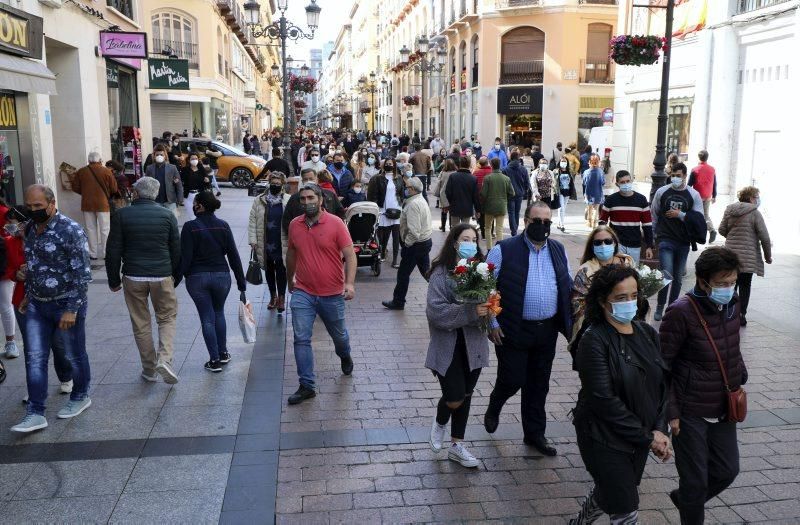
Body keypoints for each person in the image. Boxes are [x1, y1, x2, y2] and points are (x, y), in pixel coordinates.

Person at [570, 265, 670, 525]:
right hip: (603, 438)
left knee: (612, 493)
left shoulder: (647, 333)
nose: (630, 303)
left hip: (638, 436)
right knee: (625, 507)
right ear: (603, 301)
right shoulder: (593, 340)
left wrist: (660, 429)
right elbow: (603, 400)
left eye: (634, 295)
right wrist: (648, 437)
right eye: (621, 297)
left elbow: (662, 385)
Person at [660, 247, 746, 525]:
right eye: (722, 283)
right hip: (689, 410)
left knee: (727, 470)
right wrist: (670, 411)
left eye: (732, 281)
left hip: (723, 404)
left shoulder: (733, 303)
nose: (729, 288)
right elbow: (663, 366)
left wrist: (739, 373)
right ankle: (691, 503)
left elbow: (731, 341)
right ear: (702, 281)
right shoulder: (680, 312)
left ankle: (686, 499)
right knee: (695, 482)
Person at [483, 201, 573, 456]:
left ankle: (535, 435)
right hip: (513, 327)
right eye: (537, 221)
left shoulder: (558, 249)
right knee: (513, 379)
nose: (542, 226)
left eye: (547, 222)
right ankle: (496, 402)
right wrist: (491, 321)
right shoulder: (504, 249)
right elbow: (486, 286)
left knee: (538, 384)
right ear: (525, 221)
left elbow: (567, 284)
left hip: (546, 330)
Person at [11, 185, 92, 433]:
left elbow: (82, 273)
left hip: (65, 303)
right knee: (34, 358)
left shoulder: (70, 230)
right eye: (29, 206)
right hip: (36, 304)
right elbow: (34, 263)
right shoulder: (30, 230)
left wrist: (72, 309)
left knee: (73, 355)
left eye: (38, 206)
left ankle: (80, 395)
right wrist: (28, 291)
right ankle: (35, 412)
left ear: (52, 203)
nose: (33, 210)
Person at [425, 223, 490, 468]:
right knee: (453, 397)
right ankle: (441, 420)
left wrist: (490, 313)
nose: (470, 243)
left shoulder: (481, 272)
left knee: (466, 394)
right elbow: (436, 313)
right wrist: (471, 312)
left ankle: (456, 445)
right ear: (454, 242)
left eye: (474, 239)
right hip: (447, 346)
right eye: (465, 239)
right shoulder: (441, 274)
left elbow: (488, 304)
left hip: (474, 345)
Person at [285, 183, 357, 405]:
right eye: (303, 199)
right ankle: (307, 385)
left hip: (332, 293)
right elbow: (291, 254)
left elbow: (350, 255)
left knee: (340, 336)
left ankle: (344, 355)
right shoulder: (294, 225)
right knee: (301, 338)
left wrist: (350, 283)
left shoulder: (336, 224)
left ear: (321, 199)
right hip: (303, 291)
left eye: (310, 198)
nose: (307, 202)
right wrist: (290, 280)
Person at [105, 177, 181, 384]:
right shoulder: (167, 215)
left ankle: (149, 369)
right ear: (156, 194)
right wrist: (175, 275)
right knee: (166, 318)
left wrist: (113, 279)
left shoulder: (121, 215)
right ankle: (164, 359)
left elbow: (113, 250)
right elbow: (176, 248)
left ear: (136, 193)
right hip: (162, 275)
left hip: (133, 276)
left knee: (141, 323)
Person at [5, 207, 72, 396]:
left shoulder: (47, 237)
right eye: (8, 222)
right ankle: (35, 387)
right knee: (32, 348)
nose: (11, 227)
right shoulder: (10, 243)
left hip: (51, 298)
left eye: (15, 222)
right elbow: (8, 269)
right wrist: (16, 274)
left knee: (58, 343)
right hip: (23, 300)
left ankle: (66, 376)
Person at [179, 192, 246, 372]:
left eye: (195, 203)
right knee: (219, 313)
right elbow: (233, 255)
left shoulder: (189, 227)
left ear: (199, 206)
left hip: (196, 278)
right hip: (221, 277)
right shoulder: (223, 226)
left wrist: (175, 278)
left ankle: (214, 360)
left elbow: (185, 257)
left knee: (206, 318)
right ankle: (223, 353)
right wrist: (241, 281)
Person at [651, 162, 704, 320]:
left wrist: (681, 215)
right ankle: (660, 306)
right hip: (665, 238)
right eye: (672, 175)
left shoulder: (693, 195)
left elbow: (699, 219)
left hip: (683, 241)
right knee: (666, 273)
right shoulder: (662, 192)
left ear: (685, 177)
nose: (675, 178)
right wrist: (653, 237)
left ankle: (671, 308)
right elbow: (654, 214)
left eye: (678, 176)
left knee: (678, 277)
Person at [570, 225, 634, 356]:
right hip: (598, 328)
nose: (603, 245)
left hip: (627, 324)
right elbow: (577, 303)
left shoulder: (627, 263)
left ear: (615, 243)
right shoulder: (585, 271)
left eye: (607, 241)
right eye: (598, 242)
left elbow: (637, 293)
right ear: (592, 246)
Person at [718, 186, 772, 326]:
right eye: (756, 197)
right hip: (748, 257)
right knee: (745, 285)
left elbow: (722, 229)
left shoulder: (730, 209)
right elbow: (765, 237)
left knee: (730, 284)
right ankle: (741, 314)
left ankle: (727, 311)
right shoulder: (755, 213)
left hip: (730, 255)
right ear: (750, 198)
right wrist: (768, 256)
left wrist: (732, 237)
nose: (757, 200)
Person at [382, 177, 432, 311]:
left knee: (403, 274)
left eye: (407, 187)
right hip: (424, 242)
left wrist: (406, 245)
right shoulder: (419, 200)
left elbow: (414, 232)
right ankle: (445, 291)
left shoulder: (413, 204)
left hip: (416, 245)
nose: (405, 189)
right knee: (427, 272)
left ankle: (398, 302)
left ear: (413, 189)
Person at [250, 173, 290, 313]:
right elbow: (253, 220)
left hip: (281, 240)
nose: (275, 185)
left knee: (281, 270)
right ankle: (272, 296)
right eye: (273, 182)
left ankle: (281, 298)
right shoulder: (259, 200)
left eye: (278, 183)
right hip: (265, 239)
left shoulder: (287, 200)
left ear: (283, 184)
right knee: (269, 269)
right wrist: (253, 240)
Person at [599, 170, 654, 265]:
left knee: (632, 271)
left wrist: (649, 246)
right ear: (617, 184)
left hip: (635, 244)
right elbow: (602, 222)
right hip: (617, 243)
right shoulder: (610, 200)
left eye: (628, 181)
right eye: (622, 182)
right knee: (616, 271)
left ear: (631, 181)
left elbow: (647, 225)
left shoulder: (641, 200)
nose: (626, 184)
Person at [71, 152, 118, 260]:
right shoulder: (106, 171)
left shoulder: (81, 171)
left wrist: (85, 193)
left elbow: (75, 187)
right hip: (103, 204)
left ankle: (93, 253)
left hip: (87, 203)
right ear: (100, 160)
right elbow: (114, 189)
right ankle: (106, 253)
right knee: (105, 229)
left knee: (90, 228)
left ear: (89, 160)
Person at [367, 159, 404, 268]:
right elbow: (372, 194)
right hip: (382, 209)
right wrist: (374, 207)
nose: (389, 166)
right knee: (383, 235)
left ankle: (395, 260)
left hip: (396, 209)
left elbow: (401, 193)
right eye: (387, 164)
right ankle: (382, 253)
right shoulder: (377, 178)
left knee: (396, 236)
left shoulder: (399, 178)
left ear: (394, 165)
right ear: (383, 165)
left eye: (391, 164)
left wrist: (401, 204)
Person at [480, 157, 515, 249]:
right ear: (500, 165)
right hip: (501, 206)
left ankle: (489, 248)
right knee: (499, 228)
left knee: (487, 228)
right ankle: (500, 248)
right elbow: (512, 193)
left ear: (491, 165)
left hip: (489, 206)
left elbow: (483, 194)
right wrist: (505, 199)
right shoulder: (506, 178)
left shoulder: (487, 178)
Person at [689, 150, 718, 243]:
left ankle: (695, 234)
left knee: (694, 214)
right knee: (705, 215)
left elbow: (690, 184)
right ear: (707, 158)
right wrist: (714, 195)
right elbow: (715, 183)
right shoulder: (712, 169)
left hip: (697, 195)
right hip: (708, 195)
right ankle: (712, 230)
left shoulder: (695, 169)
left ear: (699, 157)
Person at [145, 145, 183, 215]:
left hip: (170, 201)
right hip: (155, 201)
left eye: (161, 154)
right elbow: (146, 185)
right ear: (154, 156)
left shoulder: (172, 168)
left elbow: (178, 184)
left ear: (165, 156)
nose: (159, 156)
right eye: (157, 155)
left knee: (172, 222)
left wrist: (180, 199)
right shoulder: (149, 168)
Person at [445, 156, 480, 228]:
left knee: (455, 229)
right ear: (469, 164)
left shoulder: (453, 176)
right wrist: (477, 210)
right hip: (467, 208)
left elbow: (448, 192)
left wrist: (451, 202)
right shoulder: (473, 178)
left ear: (460, 164)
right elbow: (475, 196)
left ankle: (455, 239)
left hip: (454, 206)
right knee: (464, 229)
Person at [503, 151, 530, 237]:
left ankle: (513, 230)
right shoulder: (523, 169)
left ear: (510, 158)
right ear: (518, 158)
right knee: (517, 212)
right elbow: (527, 182)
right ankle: (515, 228)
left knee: (511, 212)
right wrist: (524, 191)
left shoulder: (505, 169)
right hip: (519, 194)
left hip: (509, 194)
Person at [180, 153, 211, 220]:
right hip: (188, 196)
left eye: (196, 158)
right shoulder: (185, 170)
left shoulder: (201, 169)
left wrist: (207, 181)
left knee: (200, 216)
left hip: (200, 195)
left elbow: (208, 184)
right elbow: (181, 181)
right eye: (192, 159)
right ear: (189, 160)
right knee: (192, 216)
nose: (194, 160)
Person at [583, 154, 605, 229]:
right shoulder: (601, 171)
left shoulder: (586, 172)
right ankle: (594, 223)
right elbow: (603, 182)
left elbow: (584, 182)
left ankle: (589, 222)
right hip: (598, 192)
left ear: (589, 162)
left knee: (589, 207)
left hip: (588, 192)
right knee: (596, 208)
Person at [435, 158, 457, 232]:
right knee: (451, 212)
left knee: (444, 211)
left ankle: (443, 227)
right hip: (453, 194)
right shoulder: (455, 173)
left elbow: (439, 183)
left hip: (443, 193)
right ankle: (451, 226)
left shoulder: (442, 173)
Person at [555, 157, 576, 232]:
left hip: (567, 192)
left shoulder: (569, 171)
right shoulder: (557, 171)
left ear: (567, 163)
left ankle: (559, 223)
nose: (563, 163)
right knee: (562, 208)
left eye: (564, 161)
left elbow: (571, 182)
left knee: (562, 208)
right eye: (562, 161)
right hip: (560, 192)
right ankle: (562, 224)